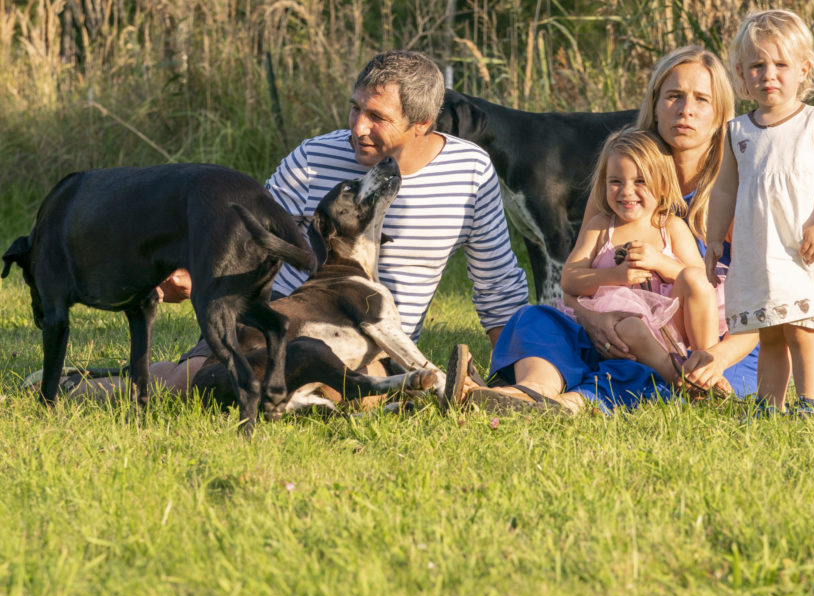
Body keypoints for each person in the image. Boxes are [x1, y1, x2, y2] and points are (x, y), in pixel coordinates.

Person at [45, 49, 530, 401]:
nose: (357, 127)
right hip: (269, 325)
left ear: (422, 123)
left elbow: (497, 285)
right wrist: (190, 273)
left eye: (377, 117)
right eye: (355, 107)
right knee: (187, 385)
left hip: (369, 344)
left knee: (365, 396)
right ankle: (85, 383)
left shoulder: (469, 171)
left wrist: (509, 378)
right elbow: (237, 240)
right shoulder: (312, 158)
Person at [445, 45, 761, 414]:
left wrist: (716, 359)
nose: (685, 109)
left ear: (720, 113)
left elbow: (765, 306)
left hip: (716, 342)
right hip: (622, 326)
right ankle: (531, 392)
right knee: (536, 318)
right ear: (655, 103)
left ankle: (576, 400)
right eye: (673, 95)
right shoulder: (620, 175)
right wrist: (595, 320)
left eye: (701, 99)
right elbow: (577, 279)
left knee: (640, 364)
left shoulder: (737, 187)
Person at [705, 9, 814, 417]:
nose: (769, 74)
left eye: (781, 64)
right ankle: (770, 405)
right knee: (769, 333)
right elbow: (724, 188)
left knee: (803, 331)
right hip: (757, 249)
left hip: (803, 247)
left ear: (803, 69)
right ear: (740, 72)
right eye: (757, 65)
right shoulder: (737, 132)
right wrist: (715, 237)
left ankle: (810, 404)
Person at [558, 127, 717, 390]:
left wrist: (659, 262)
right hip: (623, 333)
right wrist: (615, 277)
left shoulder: (672, 227)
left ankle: (706, 365)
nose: (626, 192)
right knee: (632, 324)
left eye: (640, 181)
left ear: (663, 185)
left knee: (693, 277)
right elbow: (570, 279)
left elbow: (701, 280)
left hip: (673, 328)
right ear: (604, 184)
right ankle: (680, 381)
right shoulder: (600, 227)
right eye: (615, 182)